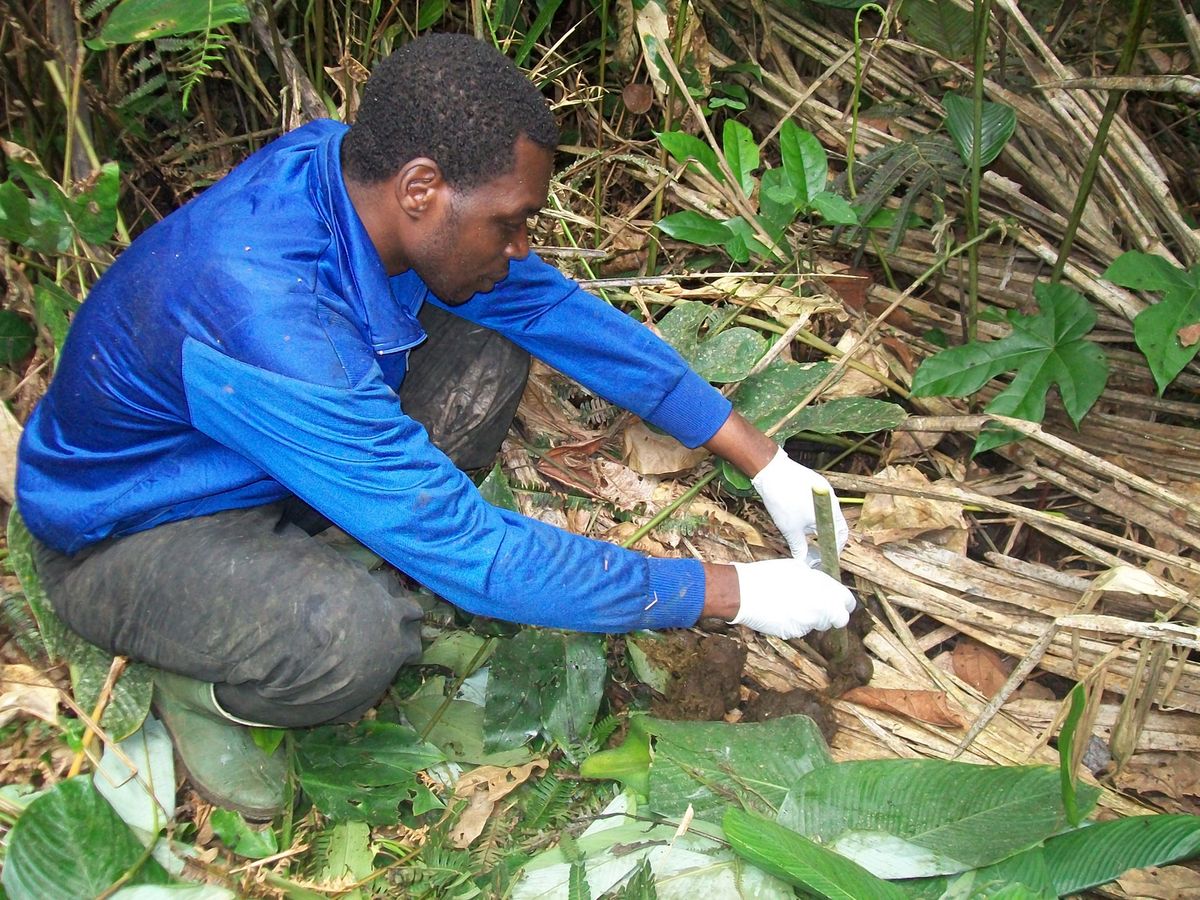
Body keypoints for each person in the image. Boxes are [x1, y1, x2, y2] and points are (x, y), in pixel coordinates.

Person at [15, 33, 854, 819]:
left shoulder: (349, 171)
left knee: (489, 344)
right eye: (510, 220)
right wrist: (730, 594)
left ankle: (348, 535)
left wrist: (764, 459)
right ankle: (208, 694)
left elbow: (558, 314)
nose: (524, 244)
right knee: (356, 637)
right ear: (421, 189)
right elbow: (478, 554)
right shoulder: (267, 310)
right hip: (125, 534)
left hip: (251, 454)